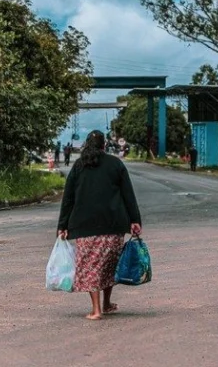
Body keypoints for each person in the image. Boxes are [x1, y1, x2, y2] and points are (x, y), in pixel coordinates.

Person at [57, 130, 143, 320]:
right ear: (105, 145)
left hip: (84, 226)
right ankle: (106, 303)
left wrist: (62, 225)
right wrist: (134, 220)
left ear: (87, 144)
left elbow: (68, 198)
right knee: (108, 266)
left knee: (91, 267)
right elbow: (128, 195)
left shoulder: (79, 166)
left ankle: (96, 309)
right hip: (112, 225)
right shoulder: (115, 164)